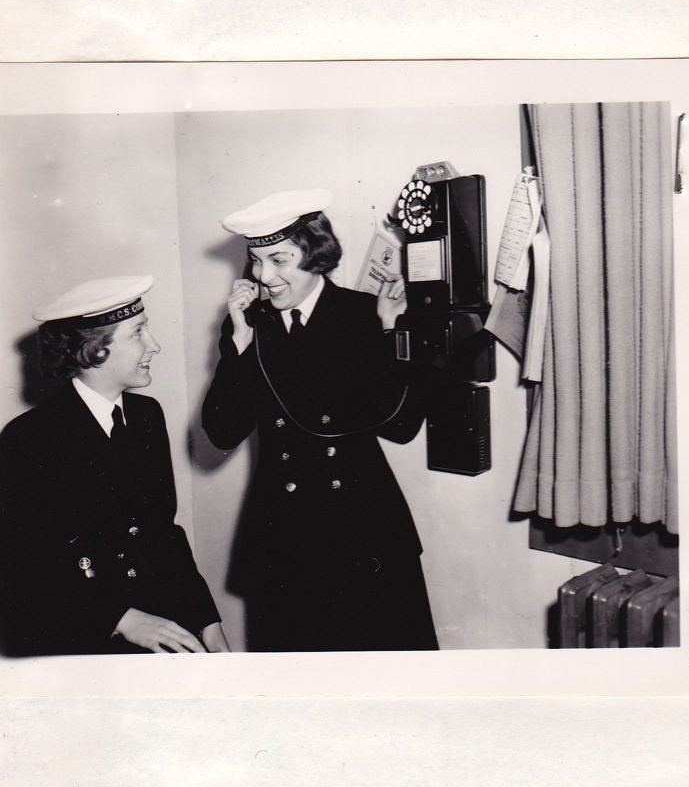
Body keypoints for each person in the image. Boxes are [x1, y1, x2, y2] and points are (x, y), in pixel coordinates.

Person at [201, 189, 438, 652]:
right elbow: (222, 431)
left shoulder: (365, 313)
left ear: (315, 255)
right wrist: (239, 343)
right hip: (285, 539)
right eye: (256, 262)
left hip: (362, 532)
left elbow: (402, 426)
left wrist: (391, 332)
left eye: (279, 260)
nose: (265, 277)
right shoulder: (253, 326)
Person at [0, 277, 227, 657]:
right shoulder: (29, 438)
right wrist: (120, 619)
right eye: (138, 332)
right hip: (82, 633)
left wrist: (207, 621)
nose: (154, 344)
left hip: (158, 621)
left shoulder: (146, 415)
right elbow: (24, 566)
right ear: (95, 349)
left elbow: (162, 533)